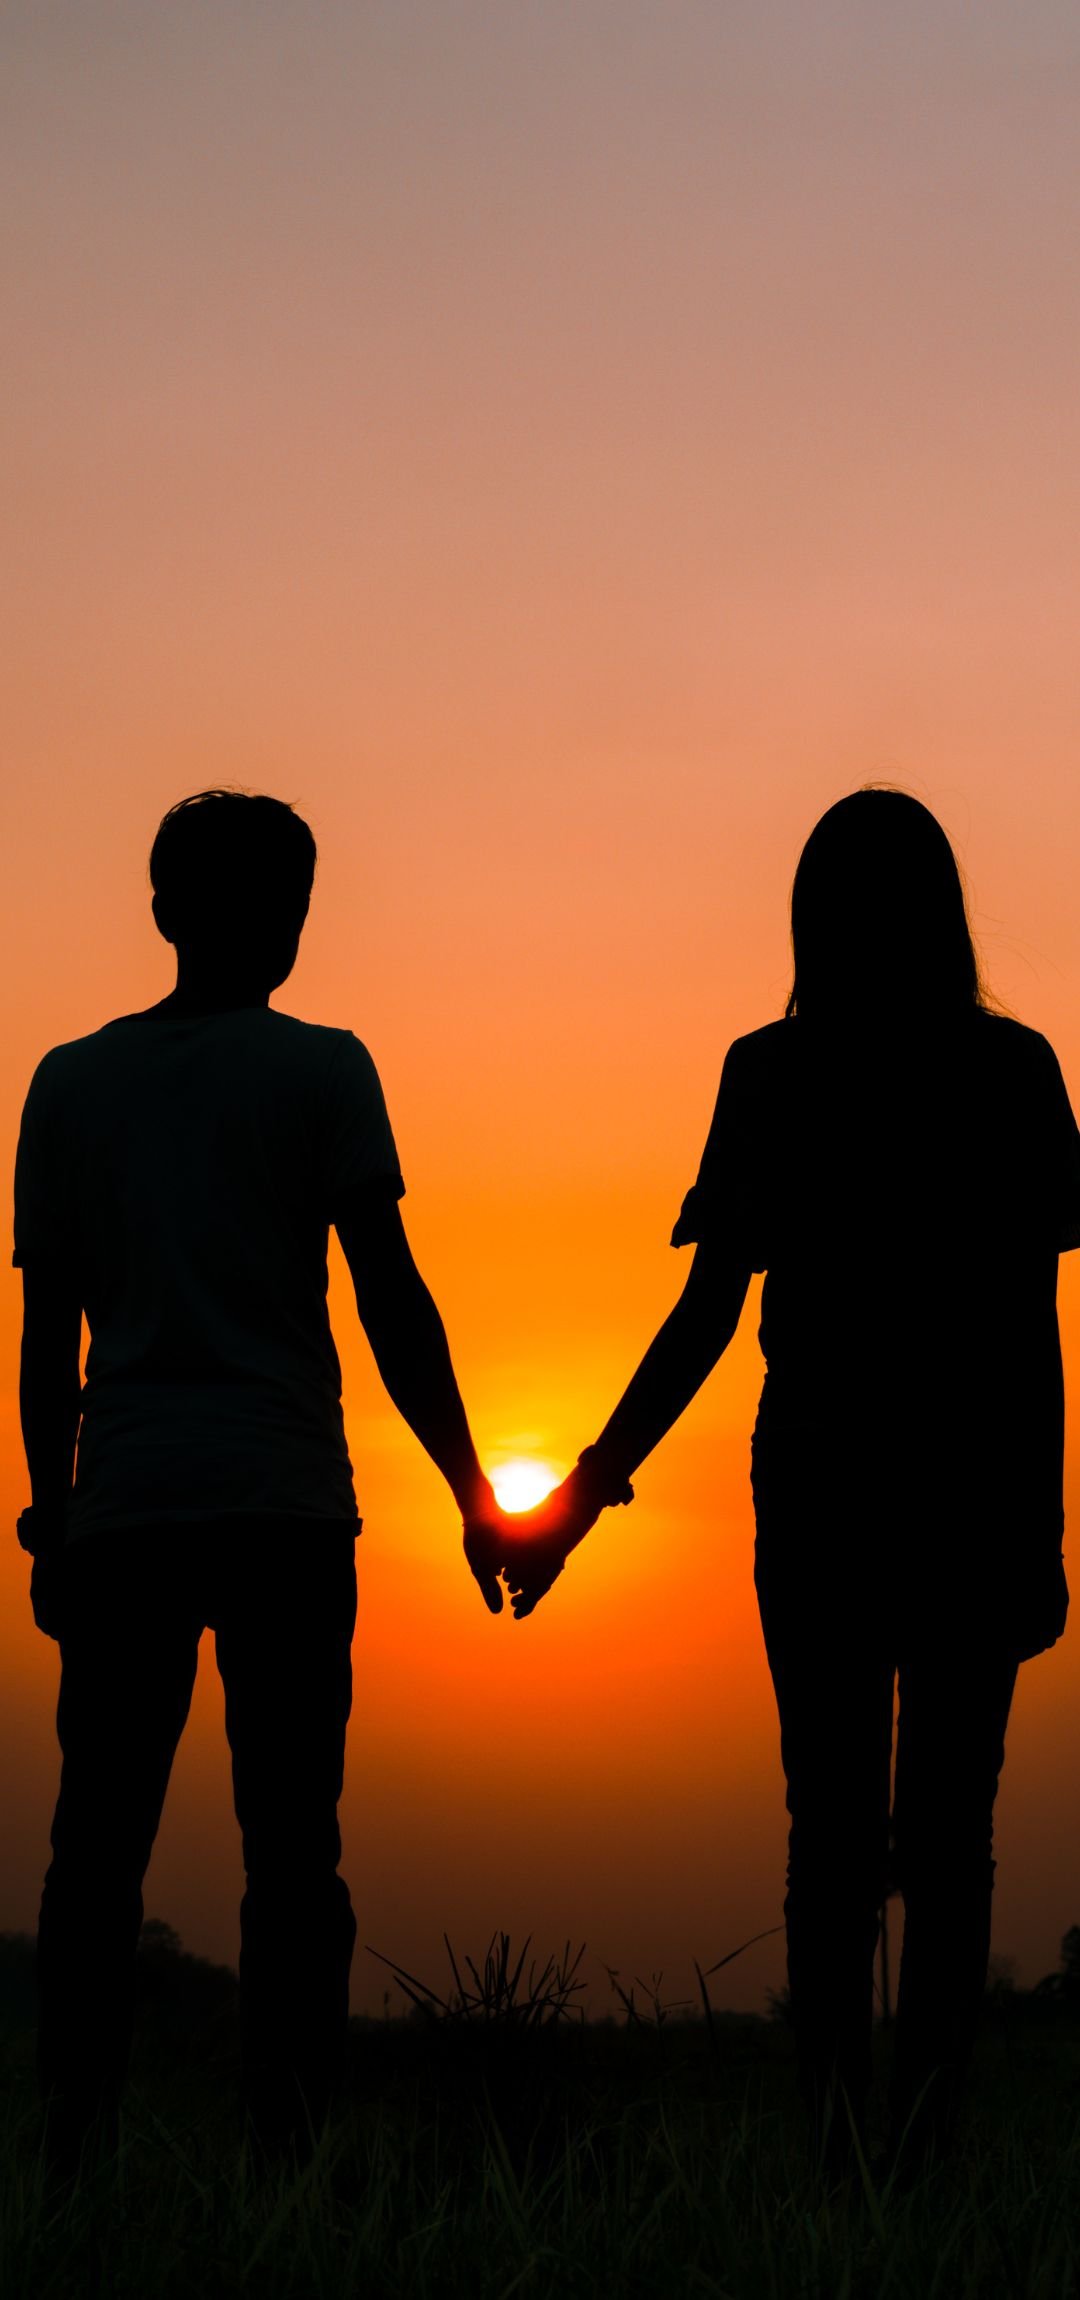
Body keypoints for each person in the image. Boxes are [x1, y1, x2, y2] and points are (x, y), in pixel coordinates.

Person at [502, 789, 1080, 2169]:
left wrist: (584, 1491)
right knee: (951, 1837)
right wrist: (1046, 1525)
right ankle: (919, 2148)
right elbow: (1029, 1327)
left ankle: (836, 2150)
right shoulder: (1009, 1070)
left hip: (823, 1487)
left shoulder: (774, 1071)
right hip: (970, 1487)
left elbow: (709, 1314)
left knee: (834, 1834)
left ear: (811, 917)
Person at [14, 788, 510, 2168]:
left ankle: (71, 2152)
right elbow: (391, 1302)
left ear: (165, 910)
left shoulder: (70, 1081)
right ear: (243, 914)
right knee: (293, 1855)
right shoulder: (324, 1070)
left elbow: (47, 1338)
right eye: (283, 899)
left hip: (126, 1507)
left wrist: (54, 1516)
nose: (286, 924)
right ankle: (285, 2154)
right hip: (284, 1504)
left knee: (94, 1853)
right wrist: (472, 1489)